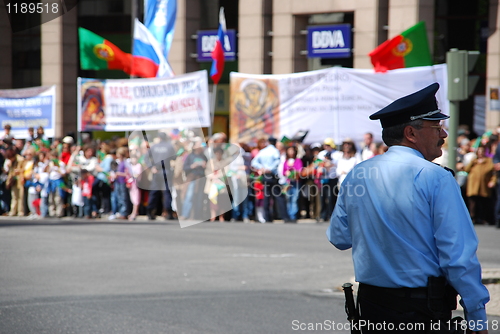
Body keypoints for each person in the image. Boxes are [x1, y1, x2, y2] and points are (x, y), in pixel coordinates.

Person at [327, 83, 489, 334]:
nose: (443, 135)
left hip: (372, 307)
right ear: (411, 133)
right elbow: (458, 258)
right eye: (436, 127)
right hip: (421, 310)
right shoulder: (437, 178)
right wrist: (477, 317)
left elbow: (339, 238)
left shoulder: (358, 174)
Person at [251, 136, 289, 223]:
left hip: (265, 175)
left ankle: (267, 217)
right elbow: (277, 161)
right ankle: (284, 216)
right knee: (279, 196)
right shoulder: (275, 151)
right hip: (272, 175)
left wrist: (262, 168)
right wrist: (270, 169)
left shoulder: (262, 151)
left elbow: (254, 162)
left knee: (267, 196)